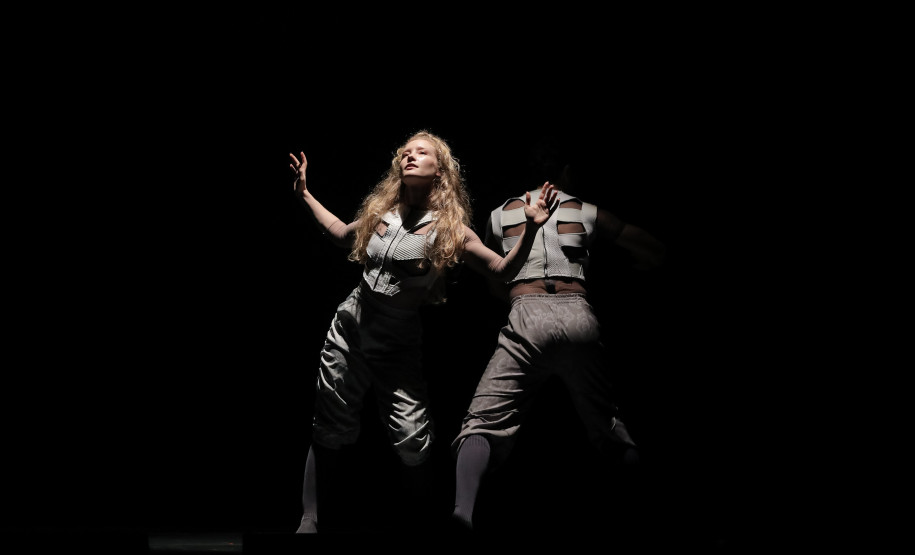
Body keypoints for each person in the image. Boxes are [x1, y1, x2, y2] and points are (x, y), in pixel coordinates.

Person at [288, 130, 558, 534]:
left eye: (422, 152)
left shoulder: (450, 229)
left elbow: (502, 271)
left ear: (440, 169)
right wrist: (305, 194)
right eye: (405, 152)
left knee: (412, 437)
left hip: (396, 340)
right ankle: (309, 519)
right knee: (330, 421)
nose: (409, 157)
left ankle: (422, 529)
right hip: (350, 328)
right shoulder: (383, 212)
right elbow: (342, 233)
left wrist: (533, 229)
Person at [449, 135, 667, 534]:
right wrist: (645, 264)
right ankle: (648, 517)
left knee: (480, 425)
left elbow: (495, 282)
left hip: (525, 313)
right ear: (566, 173)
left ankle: (463, 515)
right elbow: (649, 247)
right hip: (577, 313)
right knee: (608, 426)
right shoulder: (585, 209)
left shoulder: (500, 214)